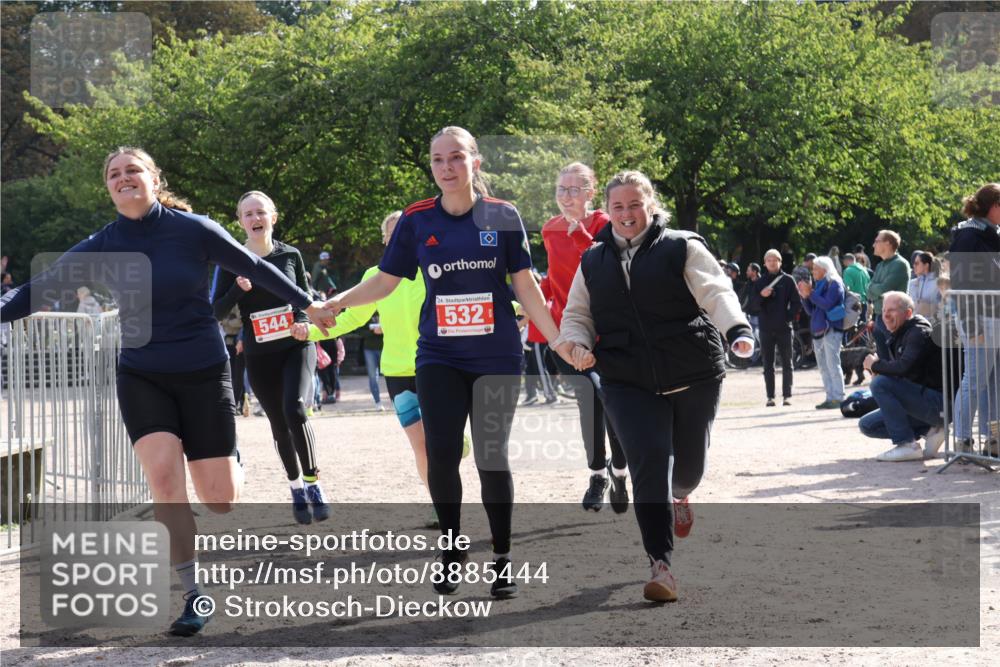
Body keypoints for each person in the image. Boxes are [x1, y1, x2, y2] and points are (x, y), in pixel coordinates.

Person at [0, 147, 334, 636]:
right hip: (142, 374)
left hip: (203, 371)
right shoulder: (103, 245)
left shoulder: (194, 229)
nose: (123, 178)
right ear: (108, 188)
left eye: (133, 170)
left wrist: (309, 303)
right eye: (114, 174)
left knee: (220, 499)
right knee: (164, 481)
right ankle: (194, 594)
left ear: (154, 179)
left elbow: (256, 267)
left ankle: (231, 458)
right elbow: (36, 289)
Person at [324, 126, 562, 599]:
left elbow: (525, 285)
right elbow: (385, 281)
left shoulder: (503, 215)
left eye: (456, 157)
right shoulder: (416, 219)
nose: (447, 167)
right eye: (438, 159)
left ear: (475, 162)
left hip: (495, 355)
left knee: (491, 456)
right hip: (439, 355)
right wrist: (336, 303)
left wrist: (558, 340)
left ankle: (501, 559)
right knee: (442, 452)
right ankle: (452, 549)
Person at [554, 170, 753, 602]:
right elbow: (578, 314)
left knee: (688, 471)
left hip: (692, 371)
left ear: (651, 204)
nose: (626, 214)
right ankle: (660, 565)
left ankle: (682, 495)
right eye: (618, 206)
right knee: (649, 465)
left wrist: (737, 329)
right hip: (627, 379)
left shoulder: (681, 246)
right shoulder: (594, 260)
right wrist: (577, 345)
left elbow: (715, 291)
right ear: (608, 211)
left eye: (634, 204)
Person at [294, 210, 450, 526]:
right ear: (385, 241)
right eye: (392, 235)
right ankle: (441, 506)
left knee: (443, 444)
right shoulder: (375, 277)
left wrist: (514, 309)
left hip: (439, 367)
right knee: (421, 447)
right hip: (397, 372)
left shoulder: (437, 270)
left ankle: (455, 450)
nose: (400, 240)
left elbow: (470, 299)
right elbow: (352, 318)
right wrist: (308, 331)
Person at [212, 190, 330, 526]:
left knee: (295, 408)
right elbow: (215, 311)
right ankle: (295, 487)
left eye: (261, 212)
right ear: (240, 222)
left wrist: (304, 322)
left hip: (296, 347)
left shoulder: (290, 255)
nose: (255, 218)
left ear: (272, 218)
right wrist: (238, 288)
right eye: (248, 214)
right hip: (260, 353)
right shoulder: (231, 261)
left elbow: (305, 298)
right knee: (278, 423)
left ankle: (313, 483)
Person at [540, 162, 629, 513]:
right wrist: (532, 300)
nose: (566, 196)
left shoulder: (605, 224)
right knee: (589, 398)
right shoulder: (550, 230)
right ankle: (597, 474)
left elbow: (609, 266)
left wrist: (579, 235)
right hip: (568, 333)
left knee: (612, 402)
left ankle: (619, 472)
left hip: (607, 331)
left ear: (590, 193)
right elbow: (555, 278)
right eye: (561, 189)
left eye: (574, 190)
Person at [859, 292, 946, 461]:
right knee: (867, 425)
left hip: (939, 403)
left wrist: (875, 365)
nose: (885, 315)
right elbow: (904, 373)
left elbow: (903, 368)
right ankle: (930, 430)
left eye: (892, 310)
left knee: (880, 384)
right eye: (884, 310)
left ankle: (906, 444)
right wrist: (879, 370)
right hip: (923, 402)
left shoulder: (918, 331)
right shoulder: (900, 331)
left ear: (908, 313)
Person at [949, 183, 1000, 457]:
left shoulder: (991, 233)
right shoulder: (968, 234)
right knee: (975, 381)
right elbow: (961, 283)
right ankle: (962, 440)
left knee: (995, 383)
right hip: (979, 318)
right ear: (994, 206)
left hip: (994, 317)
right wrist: (971, 326)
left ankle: (993, 440)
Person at [750, 249, 800, 406]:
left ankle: (787, 396)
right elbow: (752, 306)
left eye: (775, 260)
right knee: (767, 364)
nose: (772, 263)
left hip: (784, 328)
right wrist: (761, 296)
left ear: (780, 262)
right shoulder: (760, 282)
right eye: (769, 260)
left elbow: (797, 303)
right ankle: (770, 397)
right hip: (765, 328)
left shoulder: (788, 280)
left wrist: (787, 318)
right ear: (765, 263)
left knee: (787, 363)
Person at [798, 256, 846, 409]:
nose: (813, 272)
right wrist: (804, 297)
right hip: (818, 329)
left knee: (833, 364)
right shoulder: (818, 285)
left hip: (831, 329)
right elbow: (811, 311)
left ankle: (838, 397)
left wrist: (810, 293)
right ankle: (830, 397)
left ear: (825, 270)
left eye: (815, 269)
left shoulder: (835, 283)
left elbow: (827, 304)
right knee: (823, 367)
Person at [866, 230, 911, 361]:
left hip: (893, 318)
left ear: (887, 243)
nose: (873, 244)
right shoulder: (880, 265)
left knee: (895, 359)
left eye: (877, 241)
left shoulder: (900, 264)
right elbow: (868, 290)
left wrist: (875, 290)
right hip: (879, 316)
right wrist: (876, 291)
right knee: (884, 360)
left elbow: (884, 290)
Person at [907, 251, 941, 320]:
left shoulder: (939, 283)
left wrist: (931, 308)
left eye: (917, 263)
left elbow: (947, 307)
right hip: (914, 322)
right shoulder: (911, 283)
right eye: (913, 263)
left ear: (926, 265)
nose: (914, 266)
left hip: (933, 323)